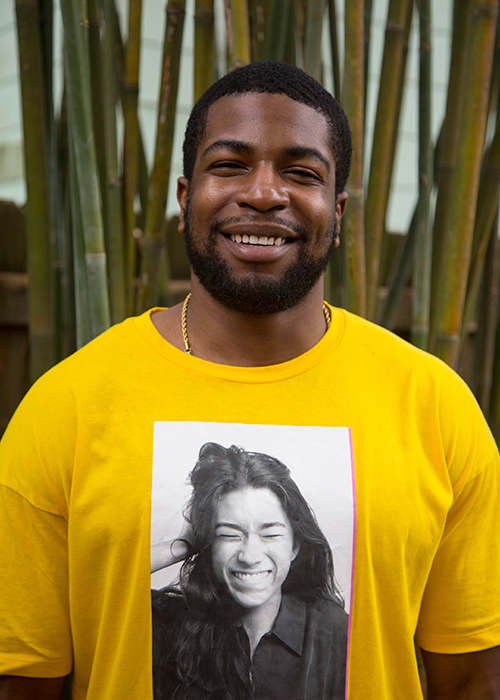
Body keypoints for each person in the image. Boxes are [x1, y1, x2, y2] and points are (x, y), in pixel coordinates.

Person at [0, 60, 499, 699]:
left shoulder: (432, 404)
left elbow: (475, 680)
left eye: (301, 172)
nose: (264, 192)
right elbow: (24, 683)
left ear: (337, 211)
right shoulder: (67, 405)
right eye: (231, 165)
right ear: (186, 199)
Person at [152, 442, 348, 700]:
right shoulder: (173, 623)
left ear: (294, 547)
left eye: (270, 534)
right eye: (229, 535)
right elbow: (92, 585)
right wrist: (180, 547)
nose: (250, 556)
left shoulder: (334, 632)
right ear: (208, 546)